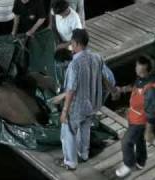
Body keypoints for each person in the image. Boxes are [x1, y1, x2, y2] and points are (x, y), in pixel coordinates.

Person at [51, 29, 105, 170]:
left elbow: (71, 90)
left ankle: (70, 163)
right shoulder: (97, 57)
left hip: (76, 107)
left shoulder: (74, 64)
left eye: (72, 43)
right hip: (92, 104)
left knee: (68, 133)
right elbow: (102, 78)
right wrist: (113, 90)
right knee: (85, 129)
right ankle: (83, 154)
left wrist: (64, 111)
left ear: (75, 43)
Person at [115, 56, 155, 177]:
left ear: (144, 69)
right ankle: (141, 161)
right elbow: (135, 86)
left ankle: (128, 164)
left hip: (140, 121)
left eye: (137, 66)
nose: (135, 67)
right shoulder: (143, 78)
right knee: (139, 140)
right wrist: (121, 89)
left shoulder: (151, 89)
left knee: (126, 142)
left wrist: (149, 131)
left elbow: (152, 112)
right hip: (134, 116)